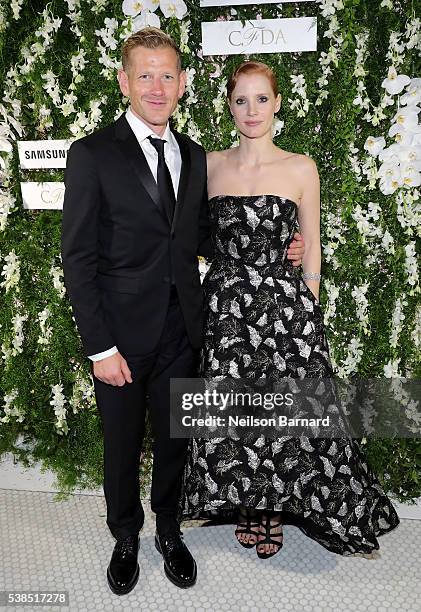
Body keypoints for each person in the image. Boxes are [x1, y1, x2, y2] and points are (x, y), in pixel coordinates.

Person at [61, 29, 305, 593]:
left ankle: (169, 528)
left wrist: (277, 248)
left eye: (167, 74)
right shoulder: (93, 154)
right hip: (119, 338)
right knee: (121, 445)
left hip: (185, 331)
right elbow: (78, 258)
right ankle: (126, 534)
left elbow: (203, 237)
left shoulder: (194, 156)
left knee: (174, 440)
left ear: (183, 84)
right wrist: (100, 347)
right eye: (144, 74)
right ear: (124, 82)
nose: (156, 85)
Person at [180, 60, 400, 558]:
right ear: (229, 106)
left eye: (261, 99)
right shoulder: (209, 164)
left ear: (278, 103)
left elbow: (314, 247)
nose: (251, 110)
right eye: (241, 100)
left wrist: (310, 310)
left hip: (285, 310)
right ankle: (251, 506)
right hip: (228, 309)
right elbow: (189, 236)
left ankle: (275, 512)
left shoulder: (302, 167)